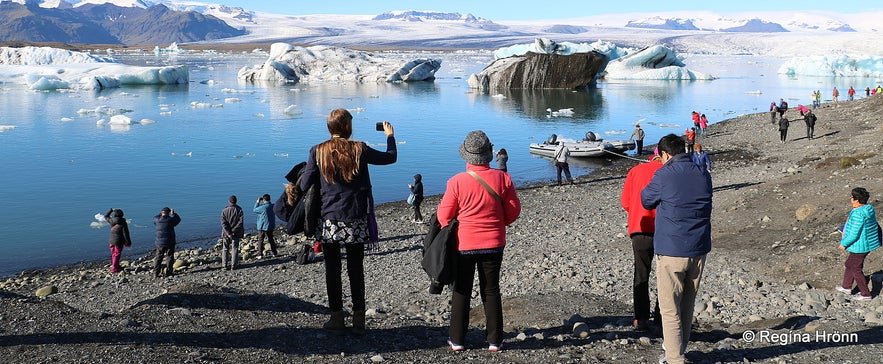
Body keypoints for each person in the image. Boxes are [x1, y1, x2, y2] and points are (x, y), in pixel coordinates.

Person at [299, 108, 397, 333]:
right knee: (356, 268)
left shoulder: (318, 151)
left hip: (330, 218)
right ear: (347, 127)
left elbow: (304, 186)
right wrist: (390, 136)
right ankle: (359, 321)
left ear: (330, 127)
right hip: (356, 217)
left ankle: (336, 318)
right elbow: (390, 158)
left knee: (332, 269)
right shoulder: (359, 148)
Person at [437, 130, 522, 352]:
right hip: (494, 243)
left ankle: (457, 340)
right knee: (491, 290)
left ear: (467, 156)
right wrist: (499, 222)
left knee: (462, 289)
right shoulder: (503, 178)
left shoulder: (456, 181)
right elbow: (513, 211)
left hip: (464, 244)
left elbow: (444, 217)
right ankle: (495, 340)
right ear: (489, 154)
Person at [641, 134, 713, 364]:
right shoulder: (703, 173)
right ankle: (679, 351)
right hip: (698, 249)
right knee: (687, 306)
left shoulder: (663, 174)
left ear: (664, 154)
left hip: (672, 249)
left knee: (669, 308)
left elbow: (646, 200)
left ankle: (674, 359)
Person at [620, 154, 663, 333]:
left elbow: (626, 203)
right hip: (664, 230)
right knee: (665, 276)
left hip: (640, 228)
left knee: (641, 274)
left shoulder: (635, 171)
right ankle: (662, 318)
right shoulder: (668, 172)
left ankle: (641, 318)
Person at [835, 187, 881, 301]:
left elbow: (854, 233)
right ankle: (846, 286)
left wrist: (843, 243)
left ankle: (865, 294)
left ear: (856, 200)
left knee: (855, 267)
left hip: (860, 245)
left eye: (852, 197)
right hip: (866, 243)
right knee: (849, 263)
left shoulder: (858, 214)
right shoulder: (868, 209)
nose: (850, 198)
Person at [153, 207, 181, 278]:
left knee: (158, 258)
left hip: (159, 243)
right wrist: (174, 213)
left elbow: (156, 216)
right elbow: (178, 219)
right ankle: (168, 272)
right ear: (168, 213)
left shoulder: (156, 220)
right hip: (170, 242)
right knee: (170, 257)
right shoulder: (170, 220)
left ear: (162, 212)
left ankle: (156, 273)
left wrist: (162, 213)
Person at [104, 208, 132, 274]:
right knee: (117, 254)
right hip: (118, 241)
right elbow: (126, 233)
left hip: (111, 240)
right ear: (122, 215)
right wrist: (128, 242)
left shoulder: (111, 221)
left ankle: (116, 266)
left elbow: (106, 216)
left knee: (113, 254)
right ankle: (114, 268)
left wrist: (111, 210)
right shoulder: (123, 223)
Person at [220, 196, 244, 270]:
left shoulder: (224, 210)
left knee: (225, 249)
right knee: (235, 248)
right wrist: (233, 231)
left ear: (229, 201)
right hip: (236, 233)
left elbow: (223, 223)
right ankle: (234, 265)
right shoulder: (239, 210)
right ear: (236, 201)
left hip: (226, 234)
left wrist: (228, 232)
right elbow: (240, 222)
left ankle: (224, 265)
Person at [253, 194, 278, 258]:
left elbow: (254, 210)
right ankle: (274, 253)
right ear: (270, 199)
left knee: (261, 240)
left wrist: (257, 202)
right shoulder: (273, 206)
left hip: (262, 226)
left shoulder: (263, 207)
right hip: (271, 225)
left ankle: (260, 254)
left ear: (263, 200)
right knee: (271, 239)